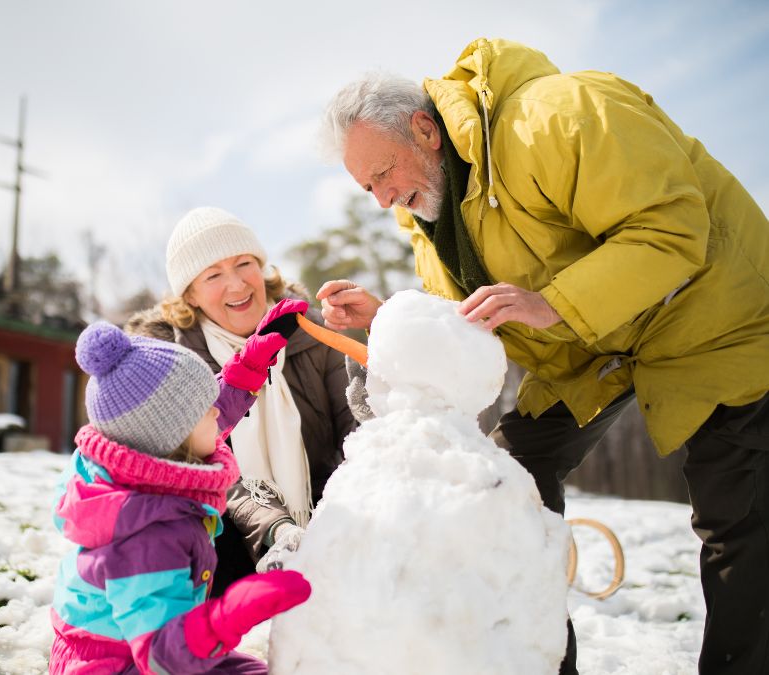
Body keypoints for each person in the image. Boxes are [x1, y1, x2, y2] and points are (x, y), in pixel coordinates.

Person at [318, 37, 769, 675]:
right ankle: (538, 661)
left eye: (383, 174)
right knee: (508, 477)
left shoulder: (556, 115)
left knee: (738, 518)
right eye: (368, 187)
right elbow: (473, 319)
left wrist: (552, 303)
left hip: (714, 314)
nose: (382, 199)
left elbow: (670, 229)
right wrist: (388, 317)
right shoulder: (429, 218)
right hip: (595, 350)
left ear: (425, 130)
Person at [49, 305, 312, 674]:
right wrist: (228, 615)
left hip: (153, 642)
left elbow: (206, 408)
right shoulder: (146, 534)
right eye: (205, 410)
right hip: (118, 664)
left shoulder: (152, 462)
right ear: (174, 436)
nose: (217, 414)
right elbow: (161, 657)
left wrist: (251, 362)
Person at [126, 206, 356, 587]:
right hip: (220, 538)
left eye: (244, 263)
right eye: (213, 274)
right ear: (191, 296)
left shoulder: (311, 330)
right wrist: (275, 528)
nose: (237, 285)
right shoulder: (167, 360)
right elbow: (197, 464)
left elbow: (354, 430)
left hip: (326, 515)